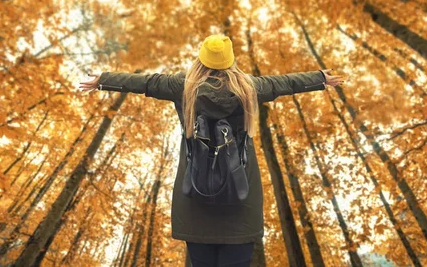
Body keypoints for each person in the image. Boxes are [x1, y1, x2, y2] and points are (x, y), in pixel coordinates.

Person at [79, 34, 345, 267]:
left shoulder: (183, 87)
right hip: (241, 199)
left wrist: (103, 80)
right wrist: (320, 78)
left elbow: (144, 82)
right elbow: (284, 83)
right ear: (230, 61)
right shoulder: (249, 88)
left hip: (195, 199)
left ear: (201, 60)